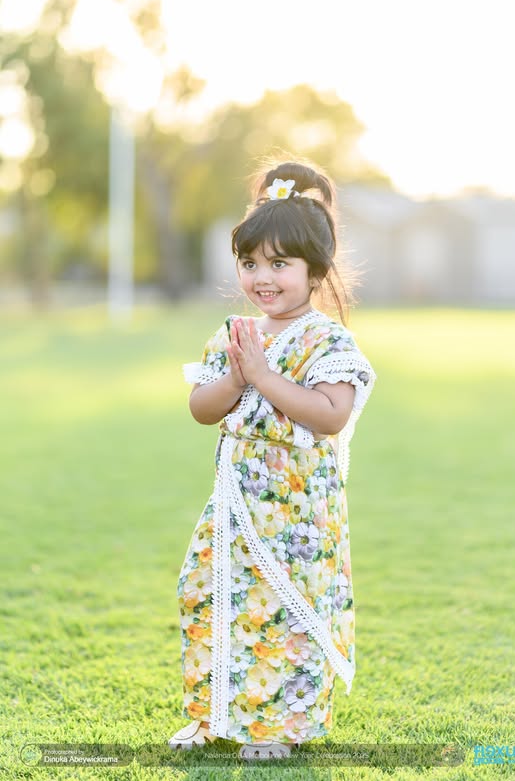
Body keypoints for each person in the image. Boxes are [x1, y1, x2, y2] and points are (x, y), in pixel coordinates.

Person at [168, 158, 378, 761]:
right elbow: (202, 408)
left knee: (286, 607)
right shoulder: (235, 333)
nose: (262, 277)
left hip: (297, 507)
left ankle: (279, 727)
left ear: (316, 271)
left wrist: (263, 374)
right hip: (234, 500)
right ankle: (211, 714)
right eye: (250, 262)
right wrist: (237, 377)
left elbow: (329, 412)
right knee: (209, 591)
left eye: (279, 264)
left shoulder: (327, 340)